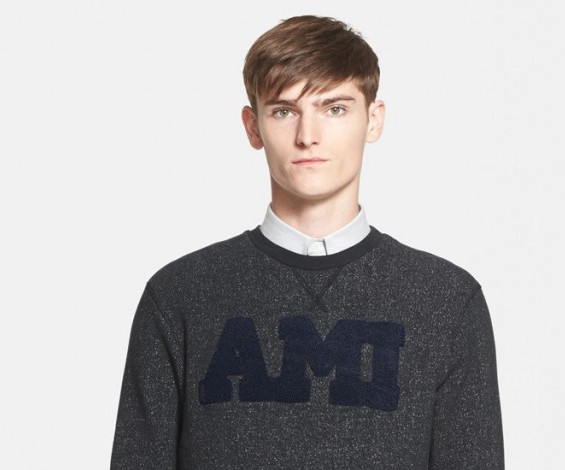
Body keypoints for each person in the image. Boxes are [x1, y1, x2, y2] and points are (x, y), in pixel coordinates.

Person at [110, 15, 503, 469]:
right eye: (284, 111)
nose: (307, 136)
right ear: (253, 126)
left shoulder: (446, 301)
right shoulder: (179, 295)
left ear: (373, 120)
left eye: (334, 109)